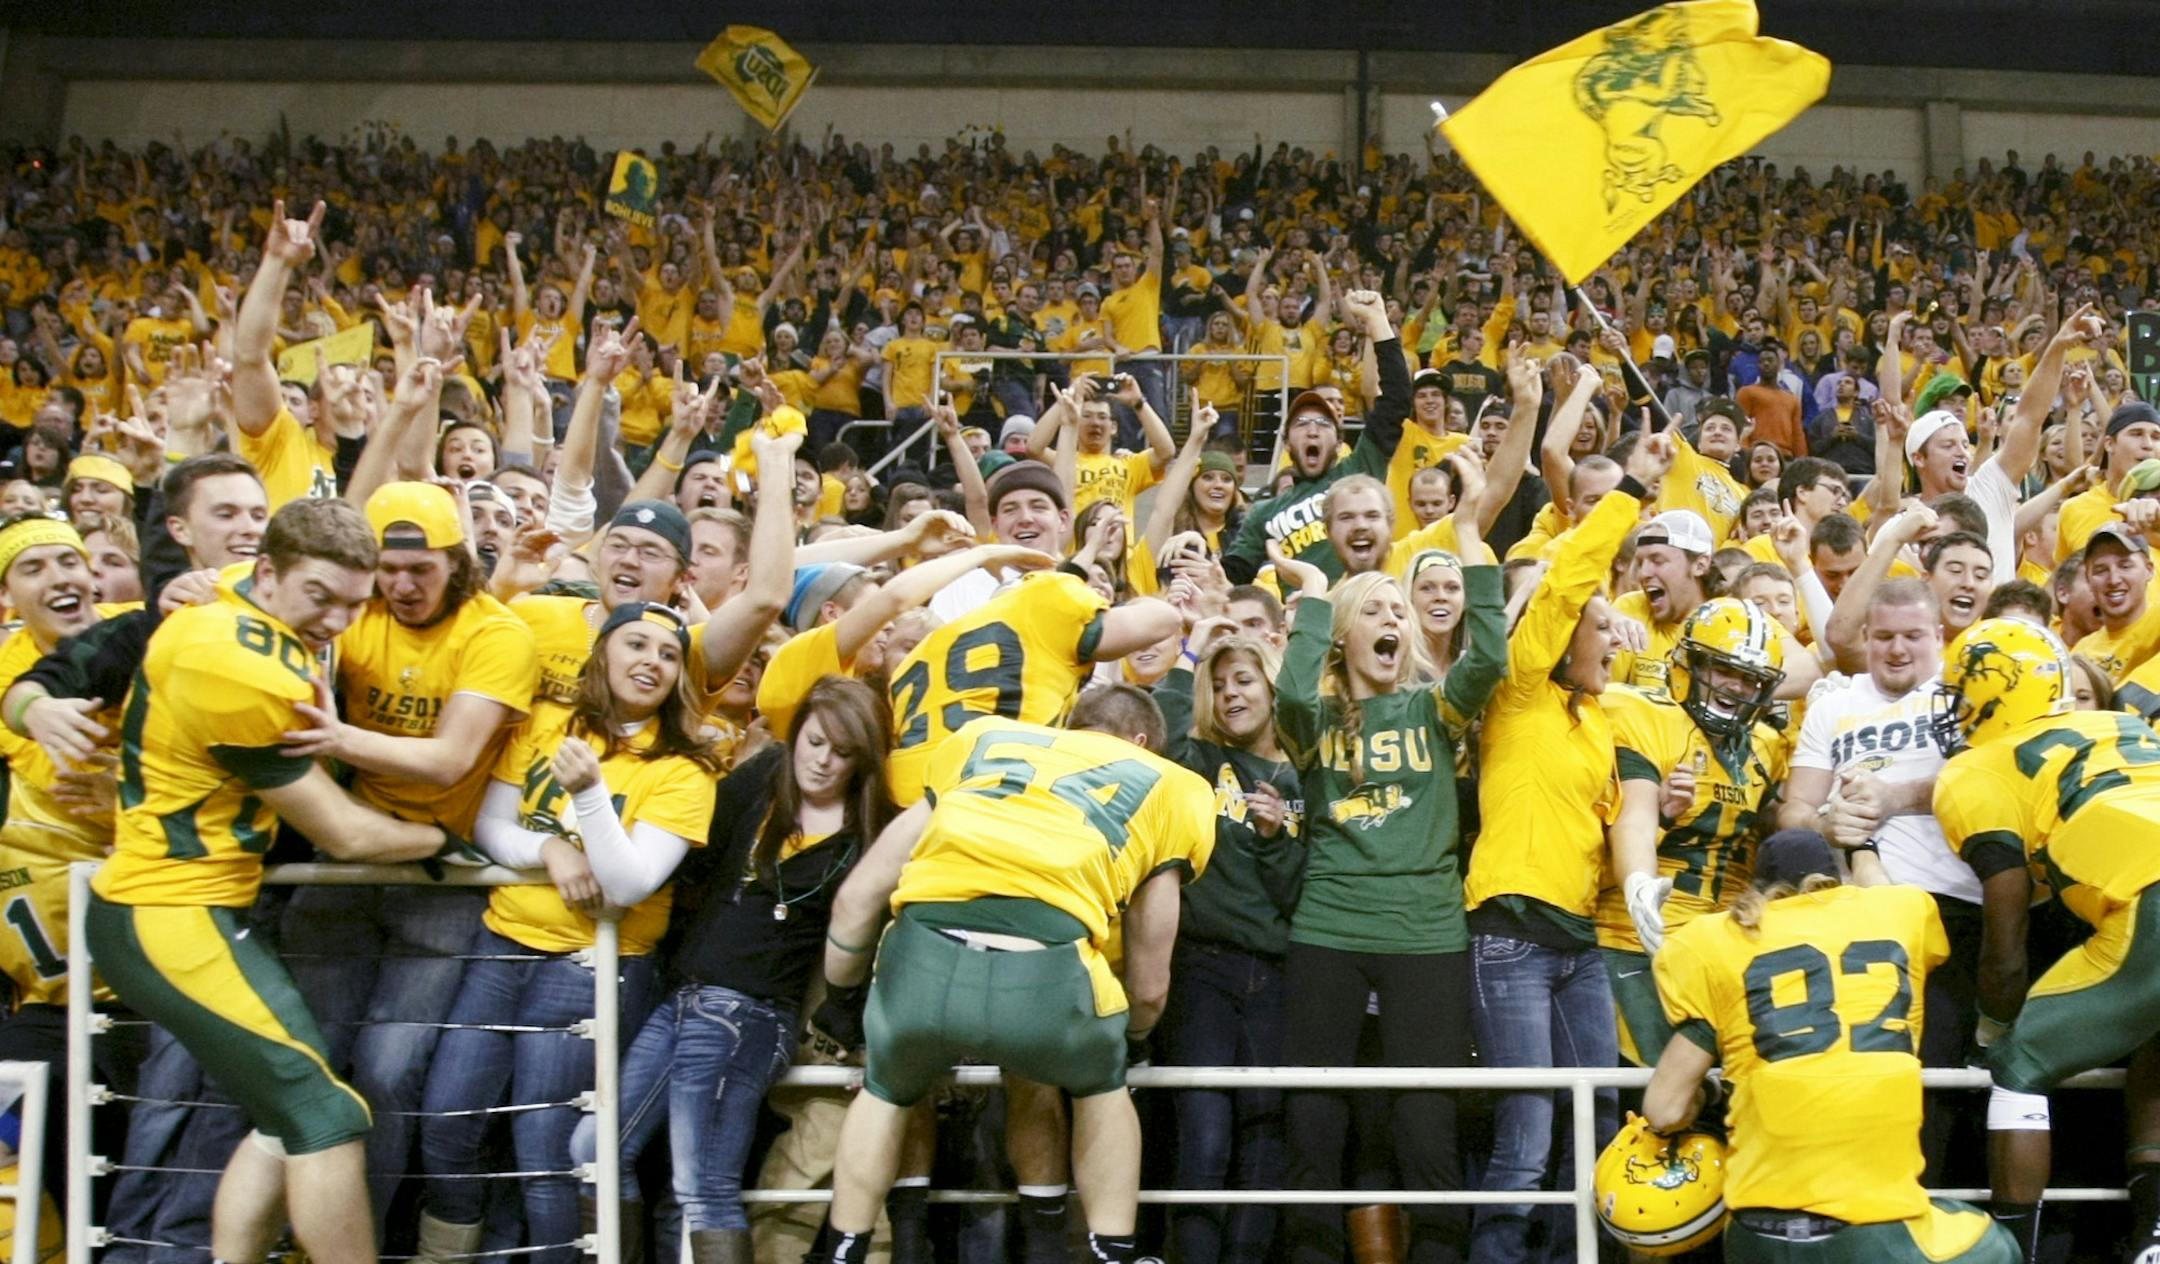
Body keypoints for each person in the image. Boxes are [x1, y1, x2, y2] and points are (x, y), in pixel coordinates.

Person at [84, 498, 466, 1264]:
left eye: (355, 605)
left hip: (195, 907)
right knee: (327, 1116)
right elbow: (344, 832)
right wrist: (441, 839)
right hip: (169, 910)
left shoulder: (233, 603)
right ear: (267, 573)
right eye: (319, 597)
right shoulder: (233, 660)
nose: (334, 619)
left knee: (284, 1113)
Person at [804, 689, 1216, 1264]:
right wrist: (1134, 1041)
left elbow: (856, 900)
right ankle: (1112, 1250)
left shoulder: (983, 739)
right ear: (1143, 740)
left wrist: (845, 1006)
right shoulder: (1173, 784)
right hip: (1049, 972)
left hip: (923, 956)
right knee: (1104, 1085)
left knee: (886, 1086)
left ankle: (842, 1248)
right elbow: (1149, 983)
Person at [265, 481, 539, 1230]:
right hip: (344, 863)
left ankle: (364, 1239)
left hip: (439, 879)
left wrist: (337, 738)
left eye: (422, 569)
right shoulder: (358, 614)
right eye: (387, 568)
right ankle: (283, 1237)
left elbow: (450, 759)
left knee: (390, 1075)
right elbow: (275, 583)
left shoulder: (497, 632)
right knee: (304, 1062)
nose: (402, 585)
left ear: (460, 562)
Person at [417, 601, 722, 1264]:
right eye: (636, 645)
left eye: (669, 655)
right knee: (446, 1121)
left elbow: (630, 882)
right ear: (603, 651)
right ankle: (446, 1253)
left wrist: (587, 796)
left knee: (546, 1150)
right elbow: (491, 827)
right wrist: (550, 851)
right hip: (501, 945)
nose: (652, 662)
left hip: (594, 965)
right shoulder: (548, 723)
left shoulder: (685, 767)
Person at [572, 675, 894, 1264]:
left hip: (752, 1016)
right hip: (685, 997)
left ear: (863, 760)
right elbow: (691, 856)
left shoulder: (875, 830)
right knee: (595, 1147)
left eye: (844, 752)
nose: (823, 761)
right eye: (816, 742)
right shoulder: (764, 779)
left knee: (703, 1189)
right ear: (796, 736)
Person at [1267, 475, 1505, 1262]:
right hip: (1329, 928)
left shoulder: (1434, 711)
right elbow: (1293, 687)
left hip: (1427, 933)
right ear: (1342, 635)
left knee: (1427, 1119)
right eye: (1373, 610)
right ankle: (1309, 1253)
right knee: (1314, 1114)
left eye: (1397, 610)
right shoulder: (1312, 721)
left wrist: (1470, 535)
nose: (1393, 620)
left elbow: (1492, 651)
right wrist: (1308, 589)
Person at [1466, 430, 1674, 1264]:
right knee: (1526, 1131)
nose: (1614, 638)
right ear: (1560, 634)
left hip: (1580, 943)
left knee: (1595, 1123)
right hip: (1510, 934)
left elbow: (1620, 814)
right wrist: (1630, 491)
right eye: (1599, 625)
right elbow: (1569, 576)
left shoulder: (1600, 726)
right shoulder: (1517, 692)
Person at [1639, 829, 2019, 1263]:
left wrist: (1707, 1093)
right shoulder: (1898, 912)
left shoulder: (1714, 942)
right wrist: (1863, 849)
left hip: (1755, 1234)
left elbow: (1664, 1109)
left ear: (1758, 890)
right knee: (1995, 1248)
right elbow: (1881, 887)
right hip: (1870, 1228)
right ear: (1833, 882)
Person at [1931, 618, 2160, 1263]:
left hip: (2151, 900)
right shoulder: (2123, 726)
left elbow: (2006, 936)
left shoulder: (1976, 769)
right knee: (2154, 1040)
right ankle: (2152, 1240)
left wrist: (1992, 1025)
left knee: (2020, 1069)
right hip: (2143, 895)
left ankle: (2013, 1251)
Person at [1149, 618, 1303, 1264]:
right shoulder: (1195, 760)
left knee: (1265, 1137)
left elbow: (1293, 893)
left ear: (1271, 688)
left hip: (1275, 974)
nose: (1233, 694)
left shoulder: (1300, 779)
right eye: (1221, 685)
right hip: (1201, 969)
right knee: (1205, 1136)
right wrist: (1194, 647)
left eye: (1245, 680)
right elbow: (1159, 723)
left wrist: (1274, 841)